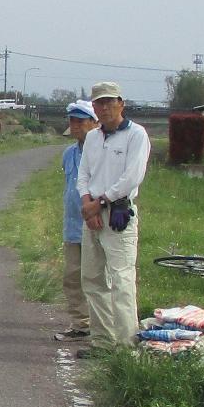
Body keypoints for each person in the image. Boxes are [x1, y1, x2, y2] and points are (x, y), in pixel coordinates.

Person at [75, 82, 149, 353]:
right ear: (93, 108)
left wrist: (101, 202)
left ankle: (127, 344)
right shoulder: (93, 137)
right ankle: (103, 342)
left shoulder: (136, 135)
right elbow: (83, 175)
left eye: (109, 102)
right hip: (93, 213)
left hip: (118, 212)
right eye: (99, 103)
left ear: (121, 103)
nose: (104, 107)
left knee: (121, 279)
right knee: (92, 279)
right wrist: (87, 204)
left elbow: (132, 176)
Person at [56, 100, 97, 341]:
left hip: (96, 225)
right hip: (72, 225)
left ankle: (101, 326)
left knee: (97, 278)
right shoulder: (69, 153)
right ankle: (81, 324)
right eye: (72, 121)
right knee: (72, 276)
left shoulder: (100, 151)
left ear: (93, 123)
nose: (75, 126)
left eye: (80, 121)